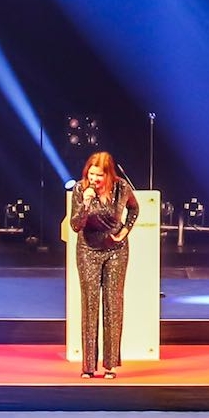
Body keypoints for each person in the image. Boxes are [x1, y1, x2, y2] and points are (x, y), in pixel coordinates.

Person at [69, 151, 139, 379]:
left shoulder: (122, 188)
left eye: (99, 175)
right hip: (88, 250)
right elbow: (76, 225)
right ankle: (88, 366)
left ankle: (110, 364)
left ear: (109, 175)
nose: (94, 180)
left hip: (116, 251)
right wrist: (87, 201)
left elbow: (134, 209)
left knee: (113, 305)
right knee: (90, 305)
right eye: (91, 174)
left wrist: (125, 231)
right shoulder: (80, 189)